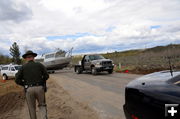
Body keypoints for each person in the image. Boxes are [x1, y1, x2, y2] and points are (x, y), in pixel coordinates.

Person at [15, 50, 49, 119]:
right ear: (33, 57)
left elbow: (17, 79)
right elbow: (46, 76)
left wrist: (24, 84)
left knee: (31, 108)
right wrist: (41, 82)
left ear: (26, 58)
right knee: (42, 106)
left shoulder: (23, 67)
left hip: (29, 89)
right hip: (40, 88)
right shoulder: (39, 65)